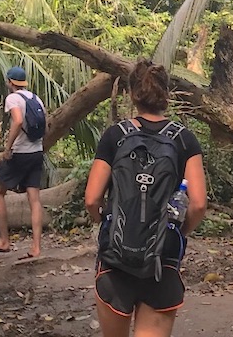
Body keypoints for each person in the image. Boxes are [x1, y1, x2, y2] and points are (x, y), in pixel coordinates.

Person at [85, 59, 207, 337]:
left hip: (116, 257)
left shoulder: (115, 136)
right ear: (167, 95)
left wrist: (106, 223)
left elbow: (92, 199)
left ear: (131, 94)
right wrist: (179, 230)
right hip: (162, 259)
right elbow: (199, 203)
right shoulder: (184, 139)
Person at [0, 65, 45, 259]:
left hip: (20, 153)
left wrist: (8, 148)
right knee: (34, 199)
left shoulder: (13, 98)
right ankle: (36, 247)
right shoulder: (36, 99)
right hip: (37, 152)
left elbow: (18, 121)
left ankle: (4, 241)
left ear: (10, 82)